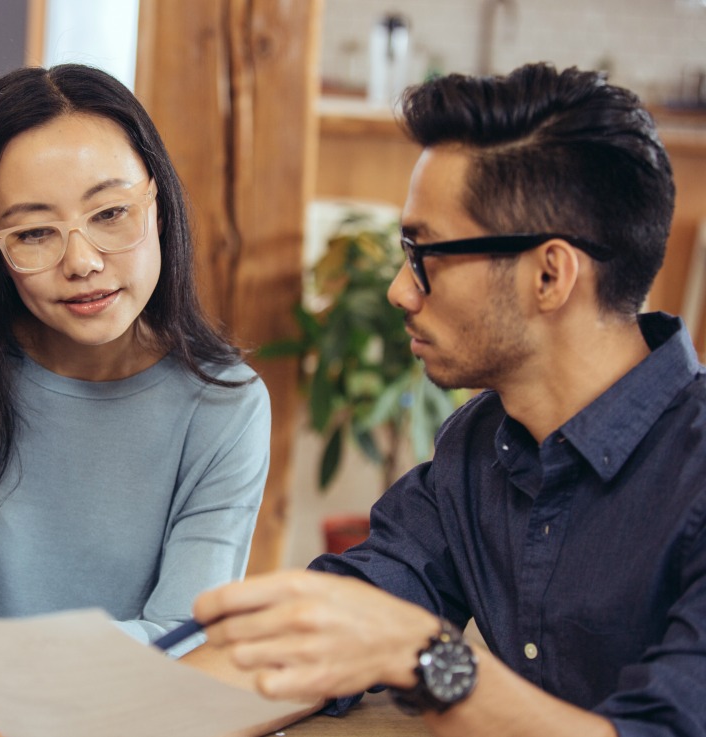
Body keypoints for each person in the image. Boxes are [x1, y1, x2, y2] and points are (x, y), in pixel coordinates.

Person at [195, 63, 706, 737]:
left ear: (550, 274)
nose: (400, 292)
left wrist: (424, 655)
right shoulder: (482, 444)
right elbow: (334, 630)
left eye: (424, 254)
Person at [0, 64, 270, 647]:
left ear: (159, 206)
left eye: (111, 214)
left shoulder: (223, 405)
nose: (83, 262)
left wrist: (9, 677)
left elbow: (179, 636)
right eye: (34, 232)